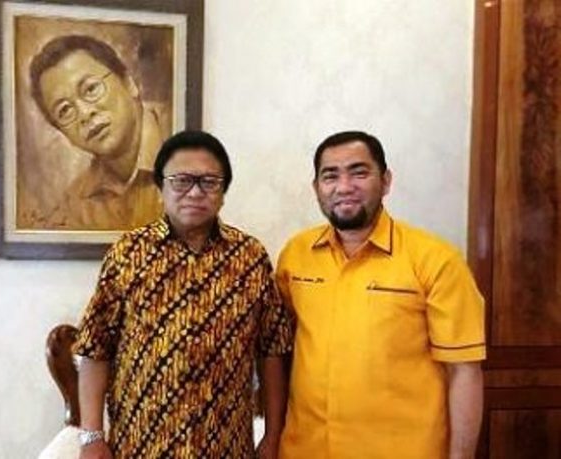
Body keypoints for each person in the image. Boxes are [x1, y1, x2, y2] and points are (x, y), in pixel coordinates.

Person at [73, 130, 294, 458]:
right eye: (181, 181)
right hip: (141, 446)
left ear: (223, 193)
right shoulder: (128, 254)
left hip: (225, 447)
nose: (195, 192)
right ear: (160, 188)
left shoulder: (250, 257)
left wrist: (273, 435)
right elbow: (96, 348)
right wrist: (91, 436)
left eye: (209, 182)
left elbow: (272, 351)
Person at [277, 131, 485, 459]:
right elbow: (279, 350)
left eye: (359, 173)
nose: (344, 186)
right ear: (316, 187)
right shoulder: (295, 255)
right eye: (330, 176)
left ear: (385, 181)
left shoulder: (436, 259)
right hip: (306, 449)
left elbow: (464, 370)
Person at [29, 35, 169, 230]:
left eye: (91, 89)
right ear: (63, 133)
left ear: (129, 83)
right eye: (65, 110)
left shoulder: (186, 137)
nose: (85, 113)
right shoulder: (75, 207)